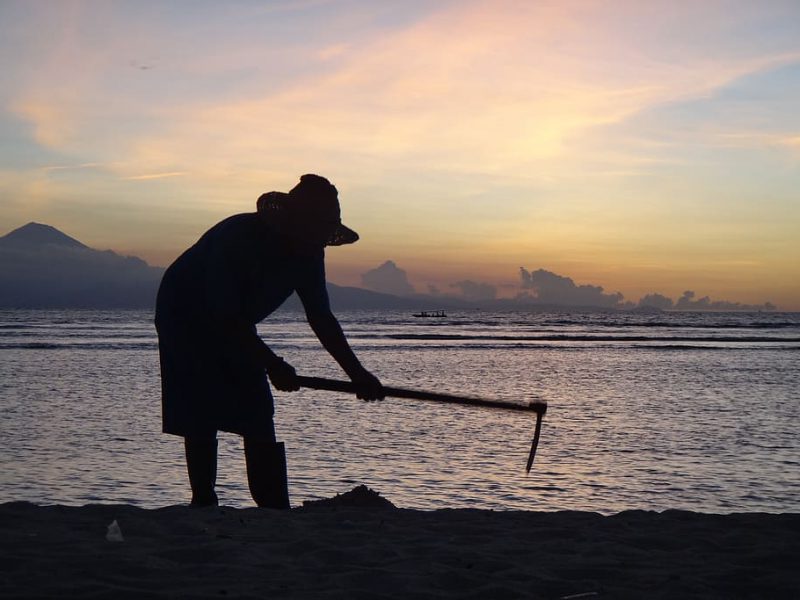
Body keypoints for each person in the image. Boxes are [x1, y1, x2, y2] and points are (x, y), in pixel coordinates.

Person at [155, 174, 384, 509]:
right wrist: (273, 364)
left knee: (258, 410)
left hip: (235, 321)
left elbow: (320, 317)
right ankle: (203, 499)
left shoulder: (309, 253)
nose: (317, 242)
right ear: (293, 221)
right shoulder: (238, 237)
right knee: (200, 407)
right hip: (184, 314)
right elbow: (224, 316)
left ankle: (274, 508)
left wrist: (357, 374)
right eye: (314, 230)